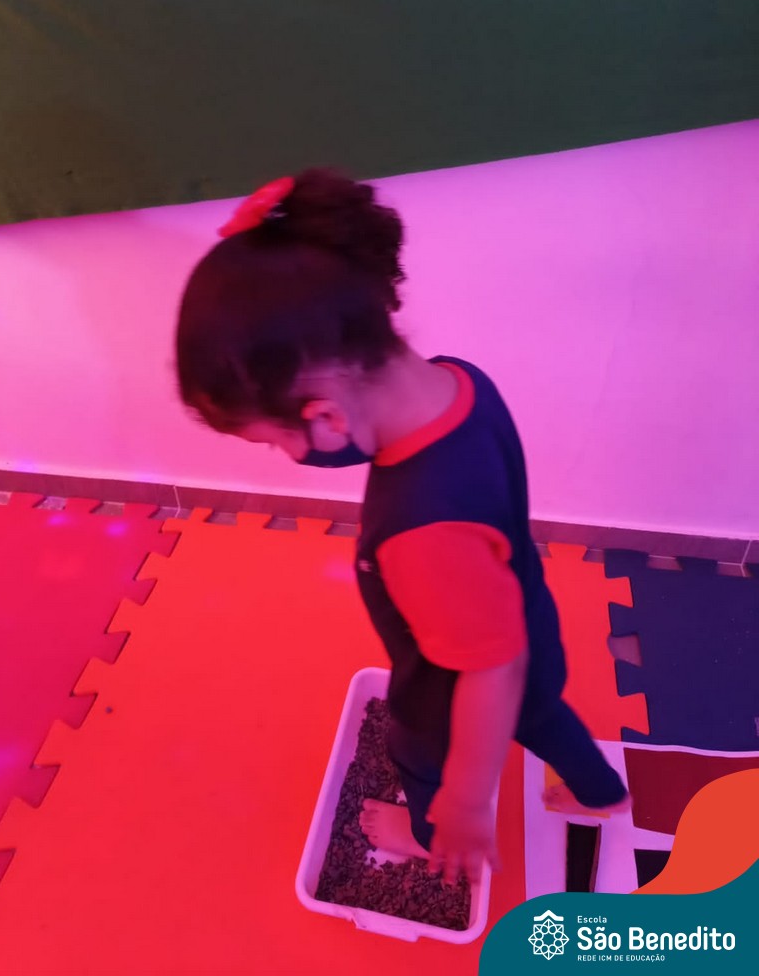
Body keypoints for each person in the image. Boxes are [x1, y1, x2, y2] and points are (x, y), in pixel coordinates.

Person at [175, 167, 630, 888]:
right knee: (543, 712)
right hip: (527, 624)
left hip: (453, 689)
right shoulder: (459, 381)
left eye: (274, 440)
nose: (287, 455)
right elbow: (509, 659)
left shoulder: (422, 529)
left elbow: (488, 669)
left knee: (420, 762)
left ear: (324, 413)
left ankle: (420, 835)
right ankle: (602, 792)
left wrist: (466, 802)